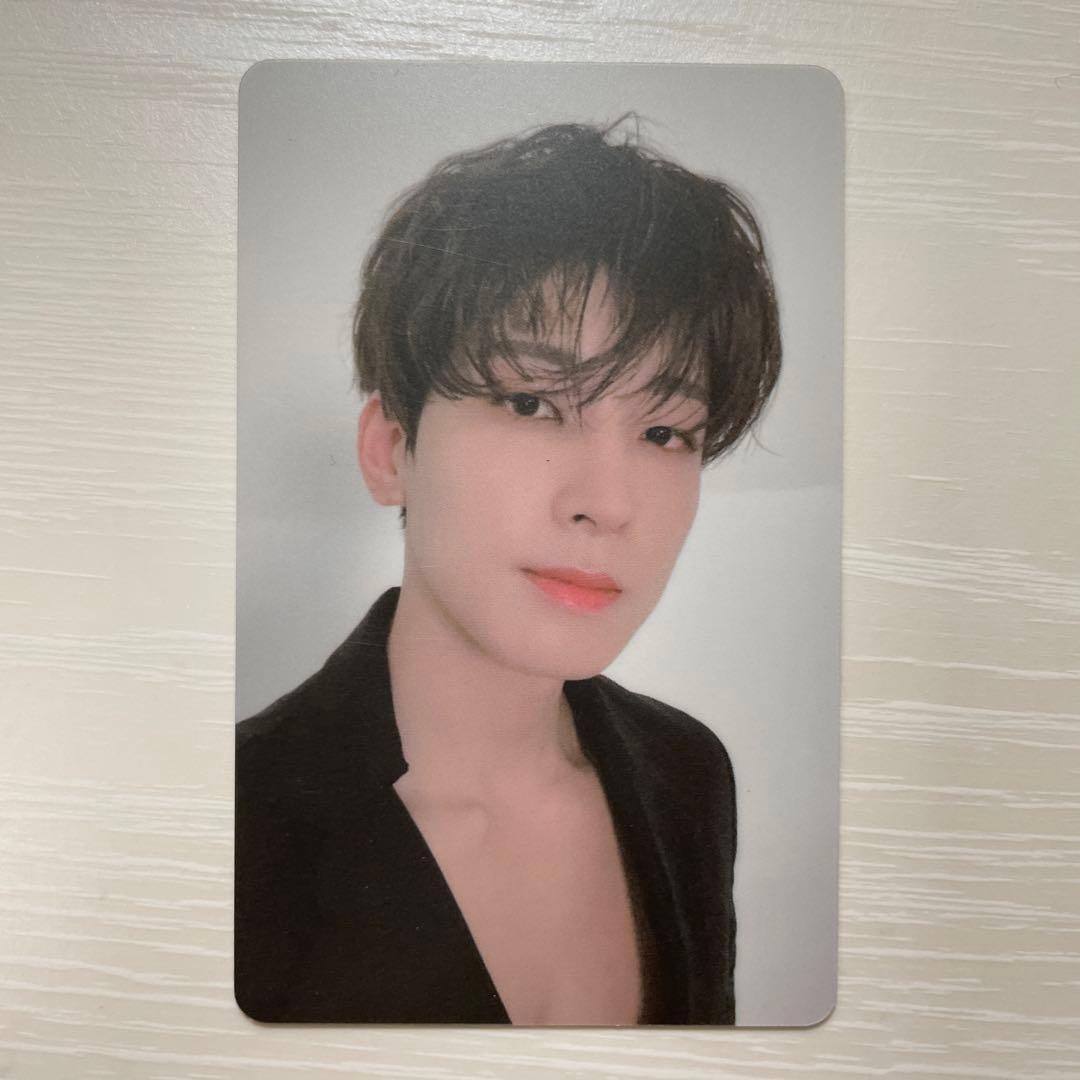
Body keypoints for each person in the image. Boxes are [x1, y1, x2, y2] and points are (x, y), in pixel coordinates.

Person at [235, 117, 781, 1026]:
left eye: (663, 432)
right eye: (531, 403)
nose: (607, 502)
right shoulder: (234, 823)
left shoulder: (687, 773)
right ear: (391, 450)